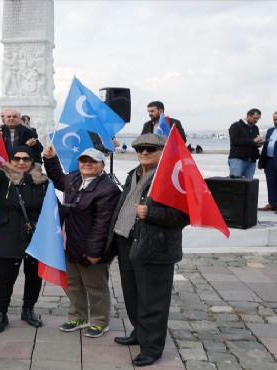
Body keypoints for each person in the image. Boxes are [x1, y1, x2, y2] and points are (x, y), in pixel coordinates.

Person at [104, 133, 189, 367]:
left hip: (154, 247)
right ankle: (139, 333)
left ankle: (152, 348)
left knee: (153, 300)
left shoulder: (172, 177)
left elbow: (184, 215)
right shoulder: (135, 173)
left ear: (164, 152)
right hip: (126, 242)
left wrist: (151, 213)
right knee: (132, 295)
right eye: (140, 148)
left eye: (151, 148)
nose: (144, 152)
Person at [44, 146, 121, 338]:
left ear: (102, 165)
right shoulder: (74, 179)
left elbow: (103, 224)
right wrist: (51, 158)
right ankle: (78, 317)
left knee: (95, 287)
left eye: (93, 161)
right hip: (68, 242)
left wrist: (94, 252)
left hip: (90, 247)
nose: (87, 164)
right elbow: (57, 177)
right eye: (83, 160)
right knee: (72, 284)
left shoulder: (108, 189)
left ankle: (99, 321)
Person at [0, 136, 48, 334]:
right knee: (5, 277)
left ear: (32, 162)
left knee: (34, 276)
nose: (21, 163)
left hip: (34, 233)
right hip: (8, 231)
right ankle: (1, 313)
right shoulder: (1, 178)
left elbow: (51, 206)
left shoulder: (42, 181)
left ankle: (28, 309)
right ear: (10, 161)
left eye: (25, 159)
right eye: (16, 159)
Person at [228, 109, 263, 178]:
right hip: (238, 159)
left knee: (249, 184)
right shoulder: (236, 126)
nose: (256, 120)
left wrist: (258, 144)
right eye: (255, 118)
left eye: (258, 119)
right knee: (236, 183)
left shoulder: (255, 128)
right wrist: (253, 141)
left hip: (251, 159)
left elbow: (254, 142)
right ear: (248, 116)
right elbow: (235, 140)